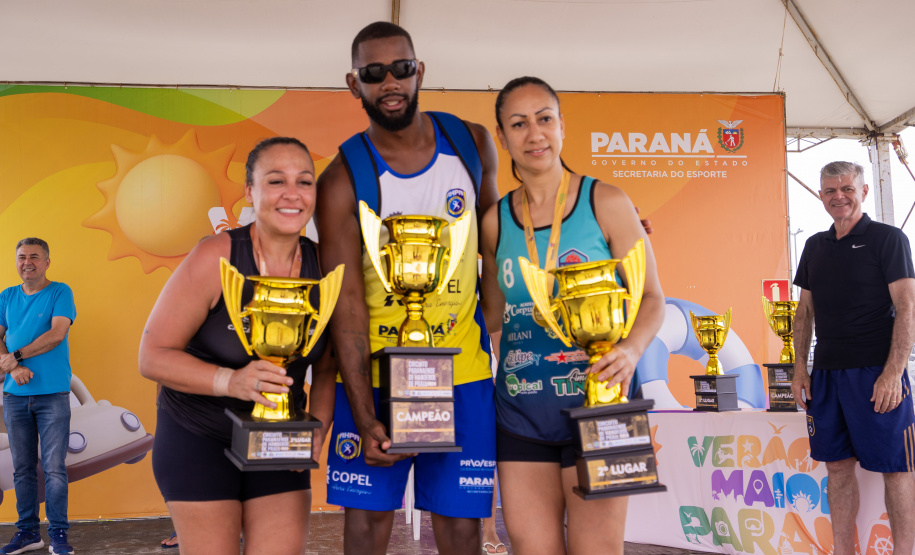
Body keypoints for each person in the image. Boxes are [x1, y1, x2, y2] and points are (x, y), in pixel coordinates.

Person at [316, 22, 501, 555]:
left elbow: (500, 241)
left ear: (419, 71)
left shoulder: (470, 142)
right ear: (354, 83)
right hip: (373, 378)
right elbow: (347, 305)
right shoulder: (341, 178)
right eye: (374, 73)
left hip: (463, 373)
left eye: (401, 68)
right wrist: (364, 413)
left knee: (462, 528)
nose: (390, 82)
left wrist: (604, 226)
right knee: (368, 524)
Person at [479, 77, 665, 555]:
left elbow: (651, 298)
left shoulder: (606, 201)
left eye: (544, 119)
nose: (534, 134)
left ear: (562, 125)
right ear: (501, 136)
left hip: (602, 405)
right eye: (518, 124)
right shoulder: (495, 221)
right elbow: (495, 319)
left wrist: (631, 351)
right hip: (522, 415)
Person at [138, 137, 336, 555]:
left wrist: (318, 426)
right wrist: (230, 381)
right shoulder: (216, 257)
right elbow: (152, 357)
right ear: (250, 191)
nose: (292, 193)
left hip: (279, 438)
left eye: (304, 182)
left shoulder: (326, 267)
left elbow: (326, 368)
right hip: (198, 436)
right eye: (276, 181)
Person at [792, 161, 915, 555]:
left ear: (863, 191)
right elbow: (804, 312)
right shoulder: (814, 246)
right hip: (827, 376)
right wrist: (800, 369)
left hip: (876, 373)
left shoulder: (888, 239)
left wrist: (893, 372)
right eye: (830, 190)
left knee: (896, 468)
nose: (838, 196)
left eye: (846, 188)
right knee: (837, 468)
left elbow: (908, 307)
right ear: (820, 195)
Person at [0, 238, 76, 555]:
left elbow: (57, 334)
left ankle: (58, 534)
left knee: (54, 468)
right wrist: (13, 366)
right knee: (22, 469)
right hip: (15, 396)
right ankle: (28, 533)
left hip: (53, 395)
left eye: (34, 256)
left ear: (47, 262)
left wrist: (16, 355)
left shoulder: (60, 292)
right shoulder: (6, 296)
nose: (27, 262)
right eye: (22, 257)